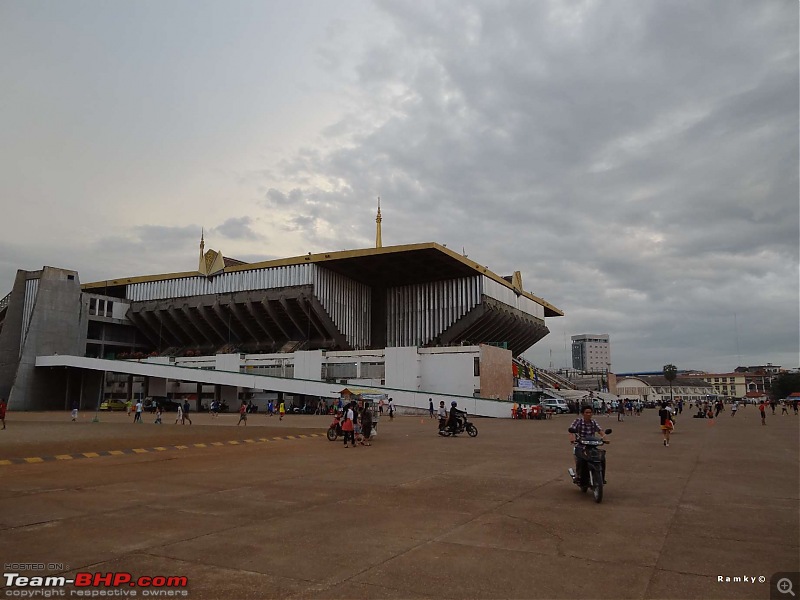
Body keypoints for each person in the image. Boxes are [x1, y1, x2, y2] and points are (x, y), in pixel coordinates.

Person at [569, 405, 608, 484]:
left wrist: (605, 438)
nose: (588, 414)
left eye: (590, 412)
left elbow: (600, 430)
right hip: (581, 446)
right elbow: (571, 430)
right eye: (586, 412)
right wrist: (572, 439)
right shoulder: (578, 421)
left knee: (601, 458)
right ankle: (578, 476)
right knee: (580, 460)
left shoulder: (593, 422)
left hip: (592, 446)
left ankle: (601, 477)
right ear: (583, 413)